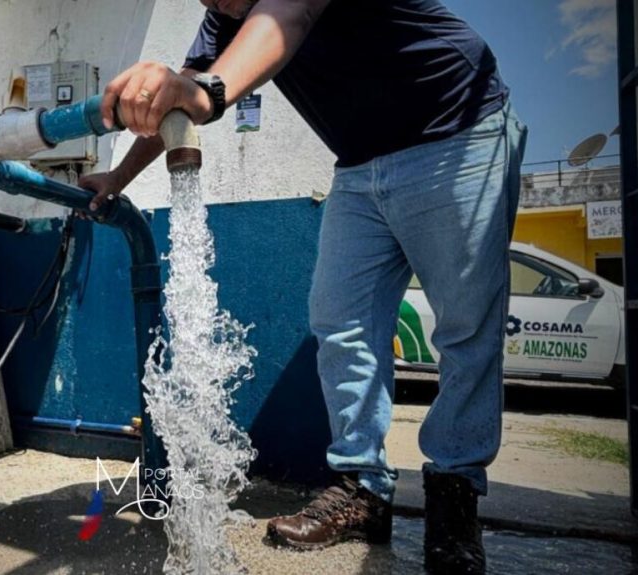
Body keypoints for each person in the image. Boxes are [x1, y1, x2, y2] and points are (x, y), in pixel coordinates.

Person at [81, 0, 526, 572]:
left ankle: (455, 500)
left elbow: (283, 19)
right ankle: (362, 487)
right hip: (360, 164)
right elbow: (184, 94)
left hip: (457, 133)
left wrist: (211, 93)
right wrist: (118, 177)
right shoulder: (223, 19)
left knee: (466, 327)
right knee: (339, 324)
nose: (211, 3)